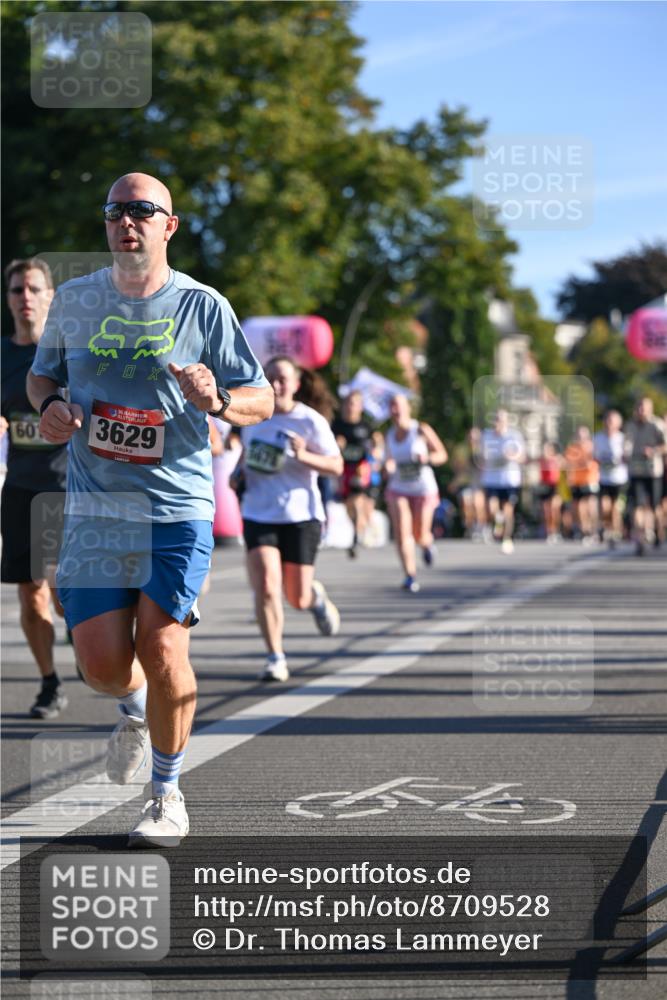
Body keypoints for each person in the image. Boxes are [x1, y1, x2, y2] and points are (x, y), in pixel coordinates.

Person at [27, 172, 273, 848]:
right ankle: (132, 711)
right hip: (96, 509)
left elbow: (260, 398)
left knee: (163, 645)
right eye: (114, 211)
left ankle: (166, 793)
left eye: (142, 210)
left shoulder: (201, 306)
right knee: (102, 666)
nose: (125, 221)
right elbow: (42, 373)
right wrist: (48, 407)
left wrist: (217, 400)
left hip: (176, 505)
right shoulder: (75, 302)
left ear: (169, 224)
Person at [235, 355, 343, 682]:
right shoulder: (254, 417)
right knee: (267, 585)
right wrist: (238, 474)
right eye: (270, 378)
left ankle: (315, 598)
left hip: (300, 515)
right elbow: (246, 454)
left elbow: (336, 466)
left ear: (296, 384)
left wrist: (303, 454)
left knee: (297, 596)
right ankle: (275, 656)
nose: (276, 385)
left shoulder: (310, 422)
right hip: (258, 511)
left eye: (283, 379)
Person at [1, 257, 69, 719]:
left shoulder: (70, 351)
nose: (25, 297)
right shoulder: (2, 354)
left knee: (65, 593)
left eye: (33, 289)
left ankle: (90, 647)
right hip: (20, 489)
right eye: (16, 290)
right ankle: (49, 683)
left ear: (50, 296)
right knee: (31, 593)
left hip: (66, 486)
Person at [384, 393, 447, 591]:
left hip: (423, 489)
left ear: (408, 409)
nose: (395, 411)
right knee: (402, 532)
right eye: (392, 407)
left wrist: (427, 458)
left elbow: (442, 455)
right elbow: (388, 460)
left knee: (419, 534)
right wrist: (387, 467)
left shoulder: (420, 429)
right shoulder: (389, 435)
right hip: (399, 488)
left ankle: (427, 544)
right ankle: (409, 575)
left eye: (399, 406)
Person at [332, 390, 377, 558]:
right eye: (347, 403)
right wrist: (338, 446)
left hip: (361, 469)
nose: (350, 407)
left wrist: (376, 449)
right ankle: (357, 529)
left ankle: (356, 537)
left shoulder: (366, 426)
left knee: (357, 501)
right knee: (349, 506)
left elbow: (375, 447)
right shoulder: (336, 426)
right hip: (343, 470)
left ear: (360, 407)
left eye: (354, 403)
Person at [474, 410, 526, 554]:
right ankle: (498, 522)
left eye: (501, 419)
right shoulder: (487, 436)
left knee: (508, 510)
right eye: (496, 419)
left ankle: (507, 539)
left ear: (507, 421)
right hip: (491, 479)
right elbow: (481, 458)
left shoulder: (514, 436)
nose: (498, 422)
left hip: (510, 479)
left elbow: (522, 457)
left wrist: (512, 456)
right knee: (492, 509)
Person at [624, 397, 666, 555]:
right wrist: (625, 454)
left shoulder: (657, 425)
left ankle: (658, 532)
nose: (642, 410)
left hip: (653, 471)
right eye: (639, 407)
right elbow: (626, 443)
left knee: (655, 506)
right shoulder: (630, 425)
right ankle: (640, 539)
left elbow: (665, 446)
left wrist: (653, 450)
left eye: (645, 407)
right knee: (637, 506)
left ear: (651, 409)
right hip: (636, 471)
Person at [593, 410, 628, 547]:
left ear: (618, 424)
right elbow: (593, 457)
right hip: (604, 478)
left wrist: (620, 460)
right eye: (607, 420)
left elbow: (627, 457)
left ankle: (615, 532)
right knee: (604, 506)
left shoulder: (622, 438)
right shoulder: (597, 438)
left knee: (615, 508)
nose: (608, 424)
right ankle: (607, 529)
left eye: (612, 421)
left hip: (619, 479)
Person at [564, 426, 600, 544]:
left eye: (583, 435)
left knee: (590, 506)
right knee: (579, 508)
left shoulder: (592, 446)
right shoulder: (572, 449)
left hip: (590, 479)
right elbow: (569, 464)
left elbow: (596, 460)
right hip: (577, 481)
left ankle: (594, 529)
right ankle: (585, 530)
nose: (581, 438)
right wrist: (569, 478)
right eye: (579, 435)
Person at [538, 440, 563, 543]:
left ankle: (556, 530)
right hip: (545, 486)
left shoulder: (558, 459)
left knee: (554, 509)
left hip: (556, 486)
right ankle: (549, 531)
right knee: (546, 511)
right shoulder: (541, 460)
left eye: (548, 449)